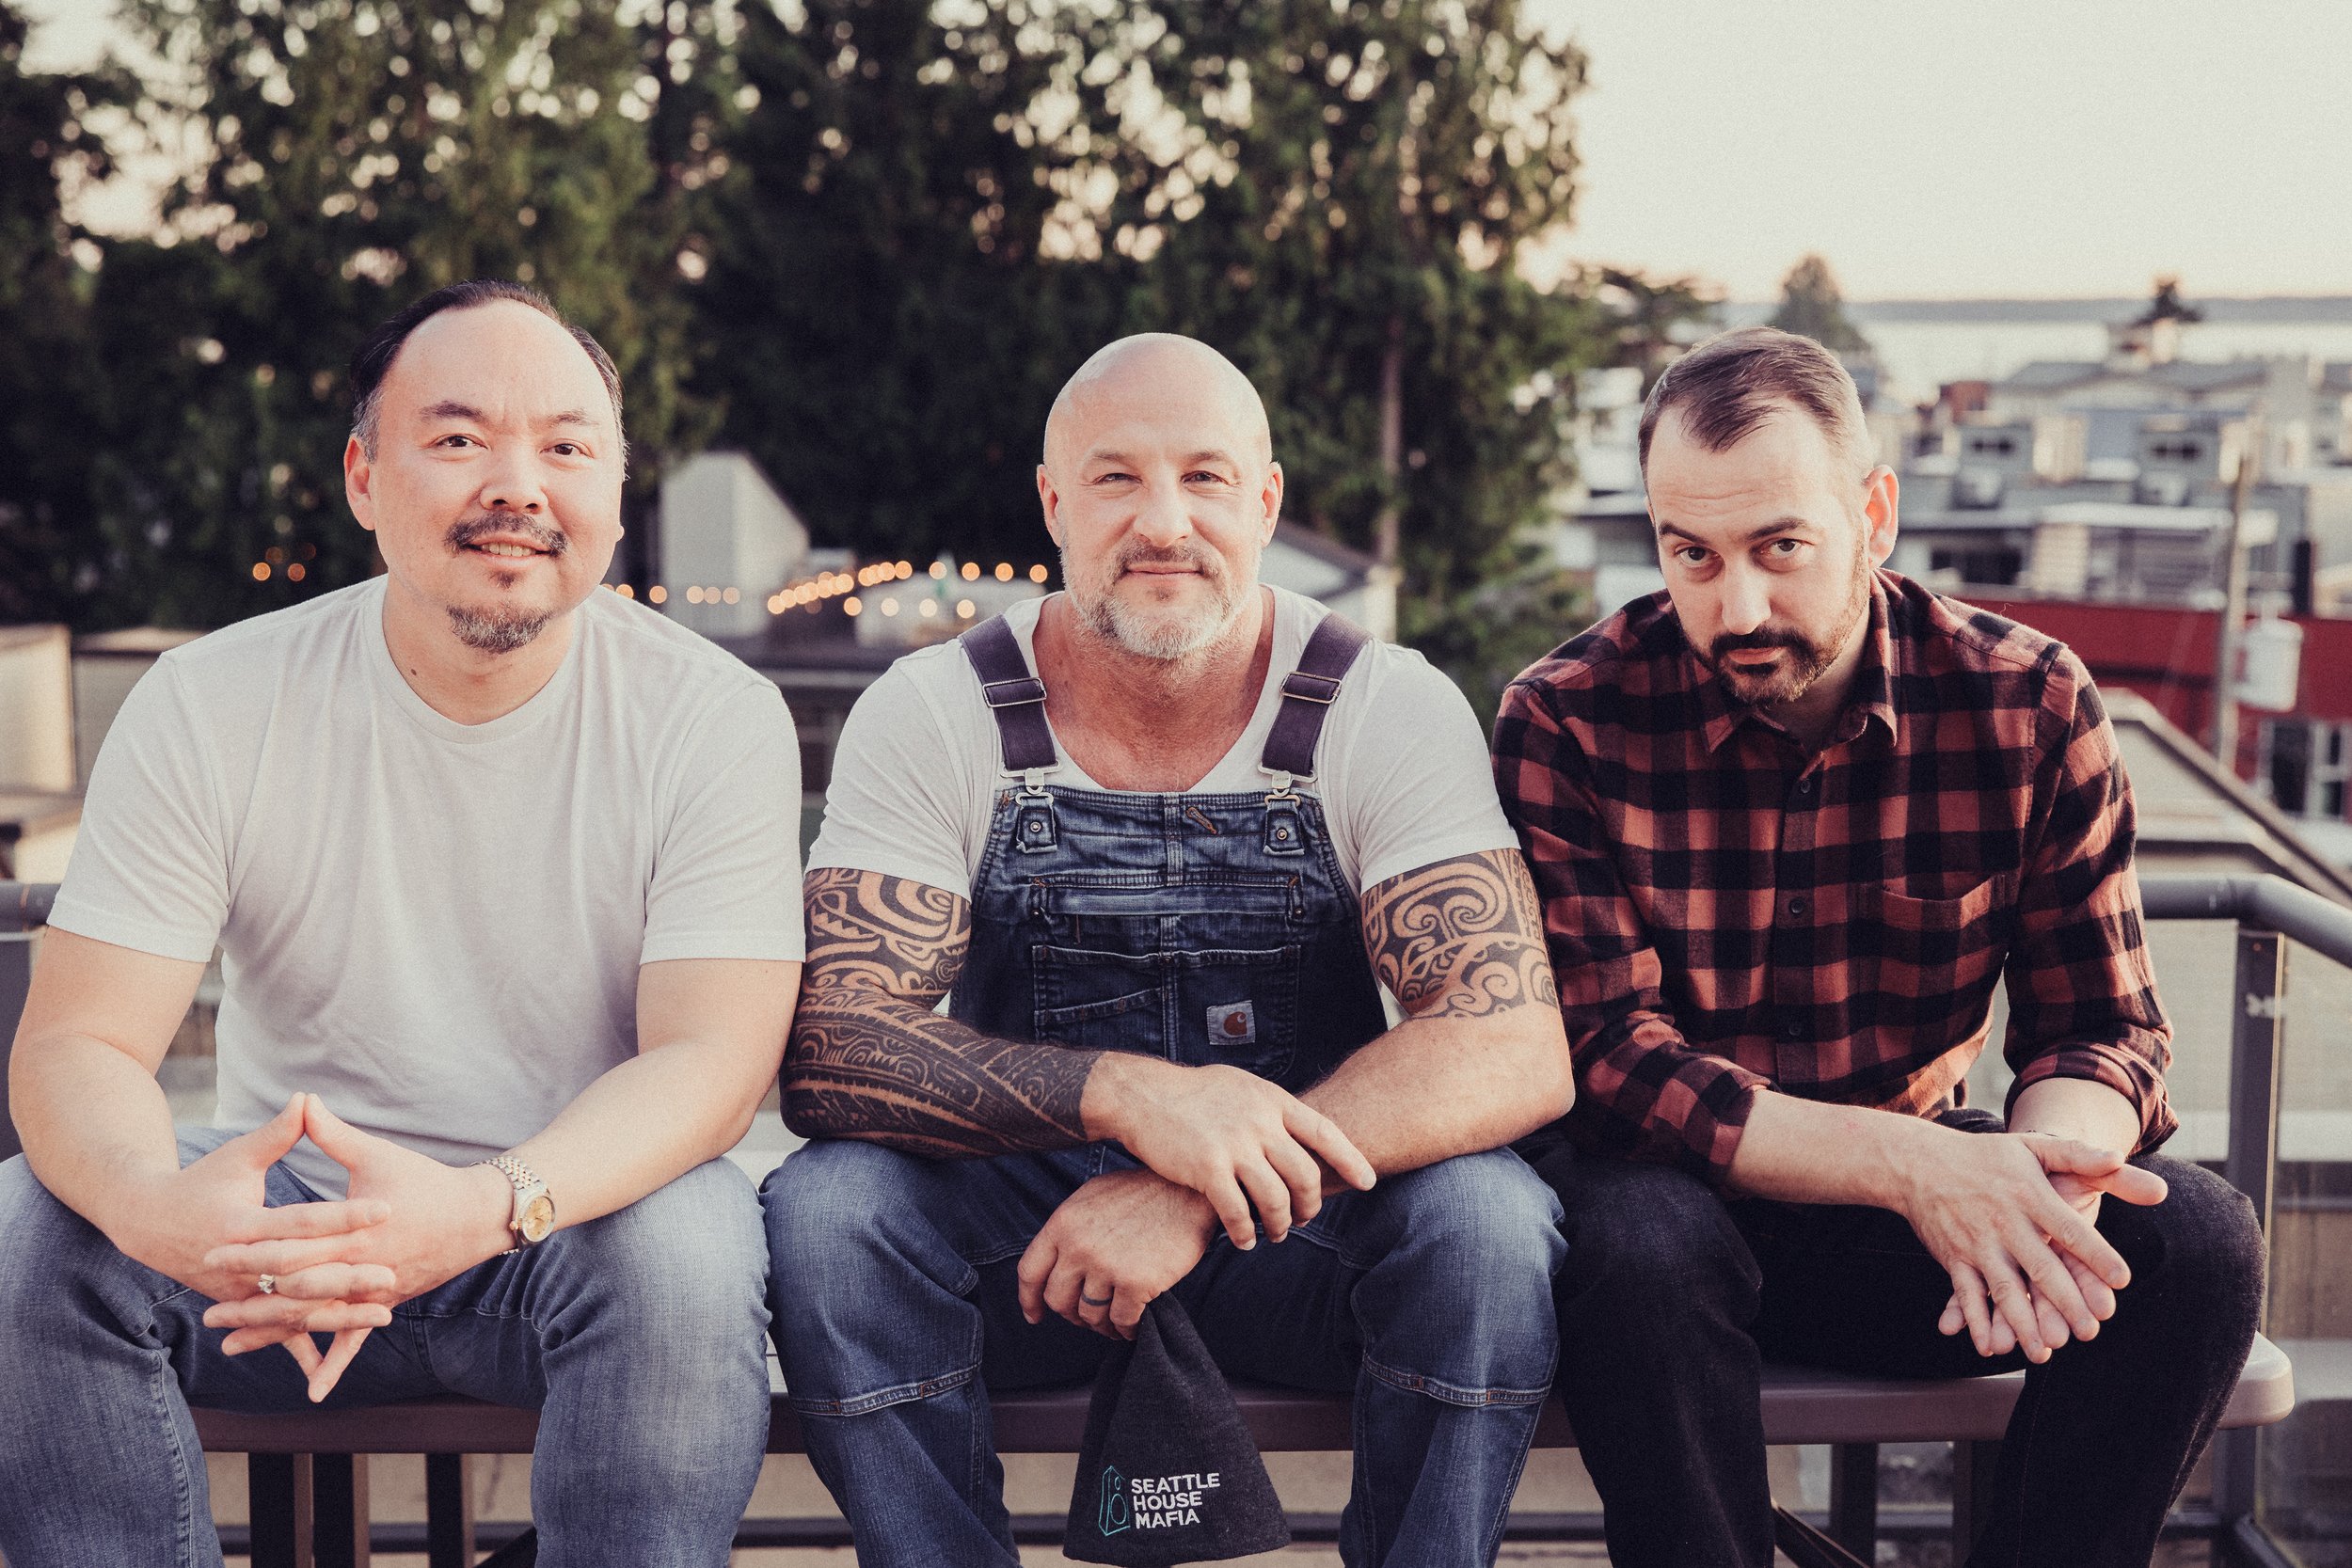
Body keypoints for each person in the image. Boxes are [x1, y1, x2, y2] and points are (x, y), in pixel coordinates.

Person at [0, 280, 804, 1568]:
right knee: (31, 1226)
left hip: (559, 1229)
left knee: (687, 1244)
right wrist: (164, 1209)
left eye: (566, 446)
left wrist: (486, 1207)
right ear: (364, 477)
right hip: (280, 1247)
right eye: (458, 437)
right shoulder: (213, 699)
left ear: (614, 491)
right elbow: (79, 1044)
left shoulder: (710, 716)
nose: (517, 483)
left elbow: (711, 1069)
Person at [765, 333, 1573, 1567]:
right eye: (1114, 480)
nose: (1163, 522)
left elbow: (1511, 1044)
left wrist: (1196, 1181)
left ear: (1265, 502)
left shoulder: (1381, 702)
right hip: (1027, 1249)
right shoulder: (936, 710)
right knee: (829, 1218)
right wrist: (1131, 1098)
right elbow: (835, 1046)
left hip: (1299, 1242)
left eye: (1203, 477)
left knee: (1488, 1229)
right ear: (1051, 503)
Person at [1490, 325, 2265, 1568]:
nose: (1734, 605)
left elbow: (2103, 1026)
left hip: (1903, 1241)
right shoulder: (1566, 717)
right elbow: (1608, 1057)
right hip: (1670, 1223)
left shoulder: (2031, 700)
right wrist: (1918, 1170)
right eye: (1690, 554)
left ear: (1876, 514)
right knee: (1634, 1245)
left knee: (2198, 1240)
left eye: (1780, 548)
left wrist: (2042, 1190)